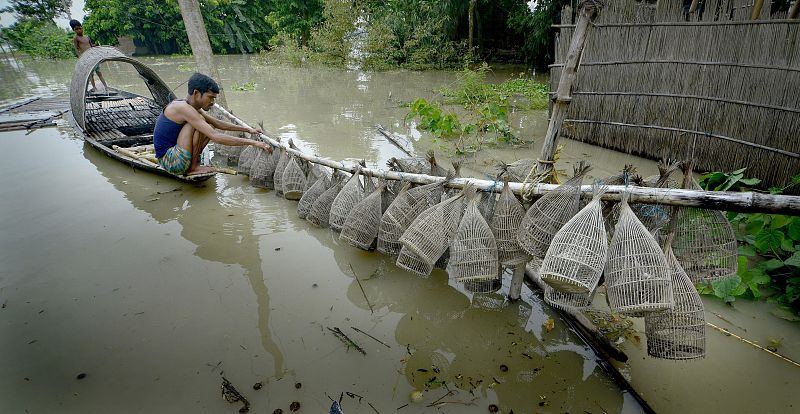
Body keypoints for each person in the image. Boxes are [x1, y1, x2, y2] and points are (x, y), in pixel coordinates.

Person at [154, 73, 272, 176]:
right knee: (199, 123)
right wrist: (254, 143)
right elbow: (215, 137)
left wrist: (248, 130)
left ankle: (193, 164)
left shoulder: (190, 106)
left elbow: (217, 123)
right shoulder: (182, 108)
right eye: (210, 97)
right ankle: (193, 167)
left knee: (209, 124)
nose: (212, 102)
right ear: (196, 93)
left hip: (177, 153)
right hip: (170, 162)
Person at [69, 19, 109, 93]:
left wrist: (97, 47)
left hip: (94, 57)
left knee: (99, 73)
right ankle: (94, 88)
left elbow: (92, 46)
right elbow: (76, 50)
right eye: (76, 29)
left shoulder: (87, 37)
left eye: (80, 28)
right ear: (73, 30)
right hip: (86, 59)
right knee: (91, 75)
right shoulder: (76, 38)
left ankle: (106, 87)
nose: (79, 30)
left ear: (82, 28)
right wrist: (81, 58)